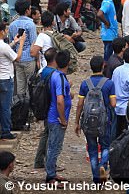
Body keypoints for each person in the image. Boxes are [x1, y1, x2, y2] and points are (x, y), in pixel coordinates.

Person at [75, 55, 117, 183]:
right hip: (105, 121)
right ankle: (103, 166)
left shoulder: (85, 84)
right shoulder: (109, 83)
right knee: (105, 146)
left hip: (88, 122)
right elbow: (113, 103)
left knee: (92, 149)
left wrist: (77, 122)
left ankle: (96, 178)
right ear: (103, 66)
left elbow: (80, 104)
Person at [45, 50, 72, 184]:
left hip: (53, 116)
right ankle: (50, 176)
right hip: (56, 118)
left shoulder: (55, 74)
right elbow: (60, 100)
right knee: (54, 147)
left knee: (54, 146)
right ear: (68, 63)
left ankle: (52, 172)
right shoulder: (60, 77)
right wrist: (63, 119)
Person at [0, 22, 27, 140]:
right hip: (6, 79)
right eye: (5, 30)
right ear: (1, 32)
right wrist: (21, 43)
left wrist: (13, 42)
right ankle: (6, 131)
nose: (6, 32)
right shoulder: (4, 47)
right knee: (5, 107)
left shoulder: (4, 46)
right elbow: (17, 58)